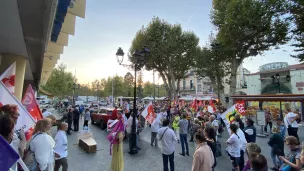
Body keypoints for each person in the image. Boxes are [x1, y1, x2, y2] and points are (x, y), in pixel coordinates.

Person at [0, 104, 26, 170]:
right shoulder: (9, 134)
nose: (18, 116)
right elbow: (18, 155)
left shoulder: (14, 130)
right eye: (16, 114)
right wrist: (23, 140)